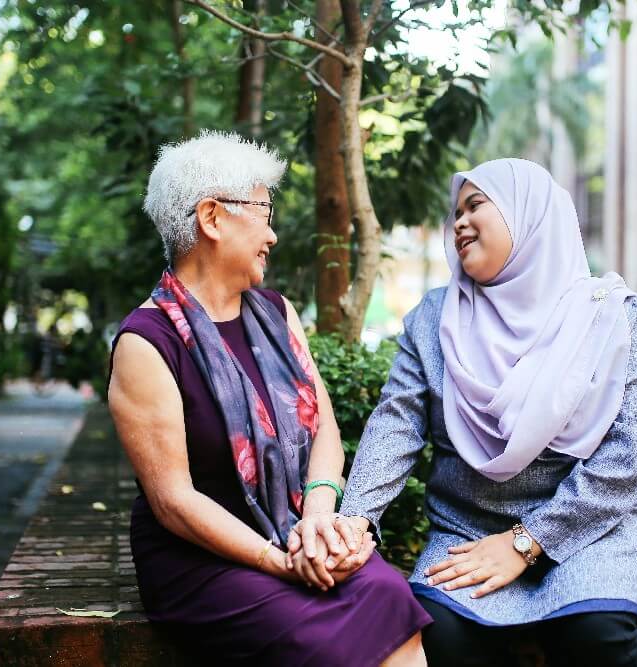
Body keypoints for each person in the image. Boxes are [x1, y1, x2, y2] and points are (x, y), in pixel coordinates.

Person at [317, 158, 637, 666]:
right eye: (455, 212)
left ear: (529, 216)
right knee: (440, 638)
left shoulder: (610, 315)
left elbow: (633, 449)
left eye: (476, 205)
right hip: (468, 531)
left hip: (594, 529)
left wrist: (530, 541)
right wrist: (353, 522)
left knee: (594, 635)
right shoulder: (434, 320)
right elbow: (394, 429)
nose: (458, 222)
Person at [107, 131, 430, 666]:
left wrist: (320, 520)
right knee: (319, 642)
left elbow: (324, 429)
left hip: (297, 528)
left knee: (392, 595)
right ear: (212, 218)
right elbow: (174, 502)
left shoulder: (276, 314)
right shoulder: (147, 342)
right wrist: (281, 561)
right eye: (263, 211)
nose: (272, 235)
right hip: (203, 560)